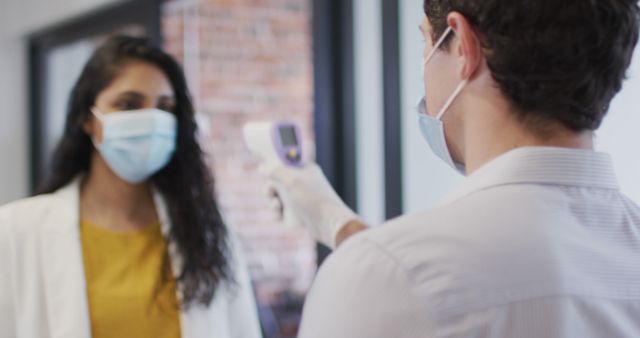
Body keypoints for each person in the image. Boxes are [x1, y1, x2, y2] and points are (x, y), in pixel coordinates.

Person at [262, 0, 640, 337]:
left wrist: (363, 257)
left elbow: (415, 280)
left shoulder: (379, 276)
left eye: (425, 40)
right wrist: (338, 224)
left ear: (462, 46)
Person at [0, 36, 262, 338]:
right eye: (129, 104)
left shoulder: (208, 230)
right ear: (87, 118)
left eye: (165, 107)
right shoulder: (14, 231)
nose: (151, 119)